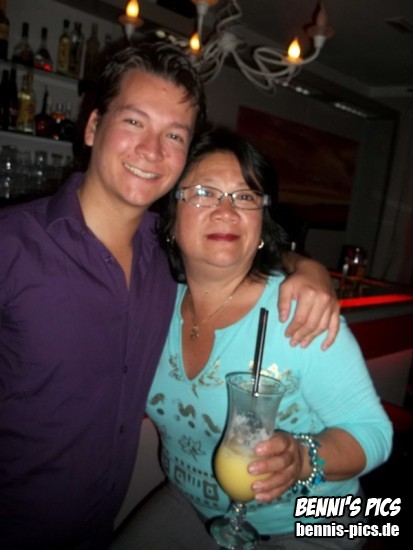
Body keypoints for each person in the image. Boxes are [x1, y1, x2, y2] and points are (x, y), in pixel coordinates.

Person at [0, 44, 339, 549]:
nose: (152, 150)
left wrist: (306, 266)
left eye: (174, 135)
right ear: (93, 127)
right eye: (134, 122)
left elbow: (244, 245)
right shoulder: (10, 247)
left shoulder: (173, 258)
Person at [110, 126, 392, 549]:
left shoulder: (297, 311)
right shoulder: (154, 301)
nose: (226, 211)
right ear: (171, 217)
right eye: (204, 193)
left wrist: (303, 458)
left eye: (245, 197)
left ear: (261, 223)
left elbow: (374, 433)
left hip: (312, 524)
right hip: (192, 502)